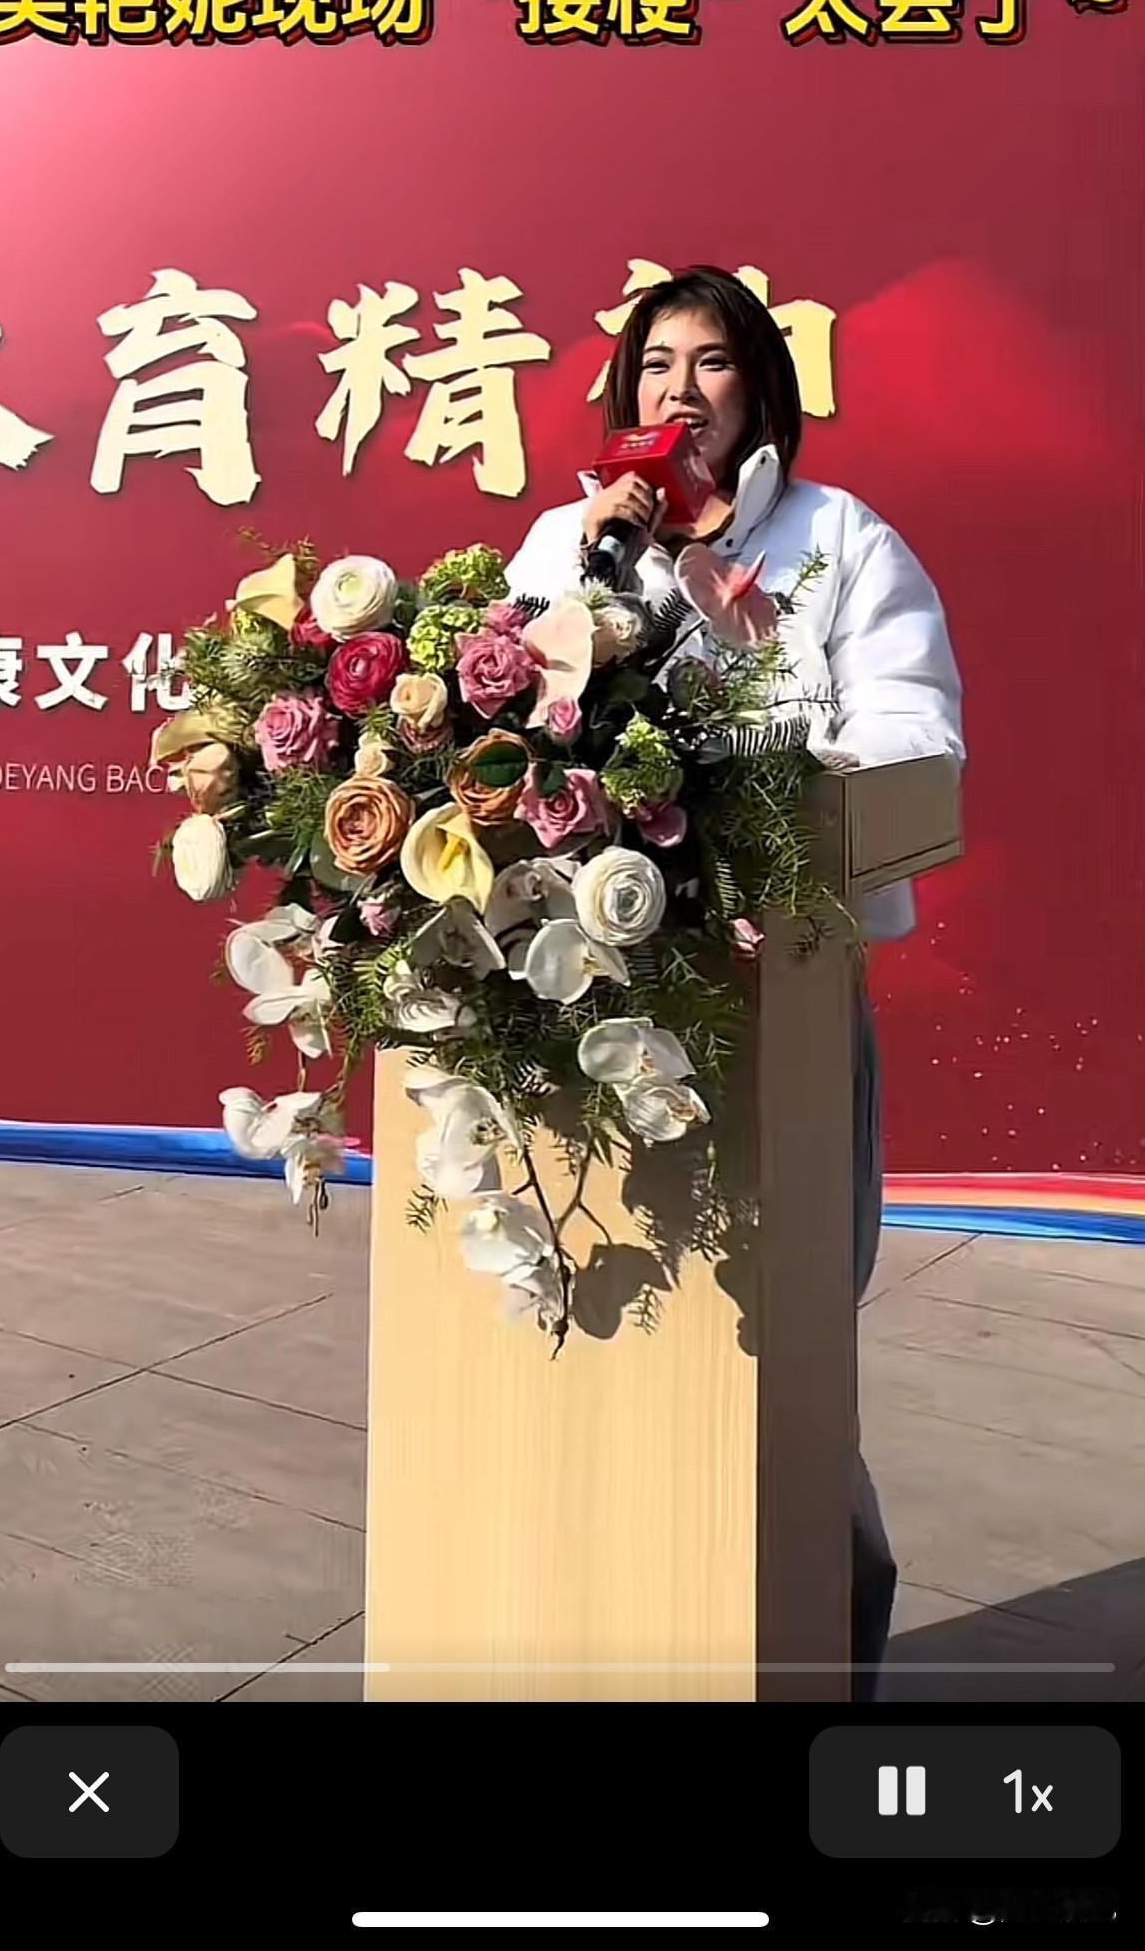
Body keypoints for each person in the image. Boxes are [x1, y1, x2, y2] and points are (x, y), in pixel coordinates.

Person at [505, 265, 965, 1702]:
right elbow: (497, 724)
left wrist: (759, 783)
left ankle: (824, 1647)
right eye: (654, 365)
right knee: (618, 1356)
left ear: (760, 390)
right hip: (588, 1011)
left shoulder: (841, 540)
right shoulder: (568, 539)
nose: (679, 390)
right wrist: (596, 586)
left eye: (710, 363)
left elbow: (912, 743)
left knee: (785, 1354)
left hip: (785, 998)